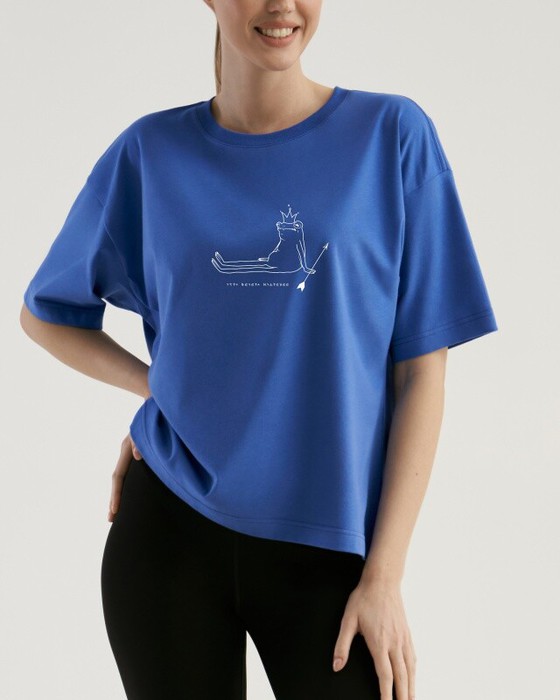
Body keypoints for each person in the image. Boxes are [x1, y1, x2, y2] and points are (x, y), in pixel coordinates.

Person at [19, 1, 499, 698]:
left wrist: (385, 576)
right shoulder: (150, 154)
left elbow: (421, 373)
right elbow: (47, 315)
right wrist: (162, 390)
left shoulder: (392, 135)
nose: (282, 5)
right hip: (169, 534)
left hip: (332, 548)